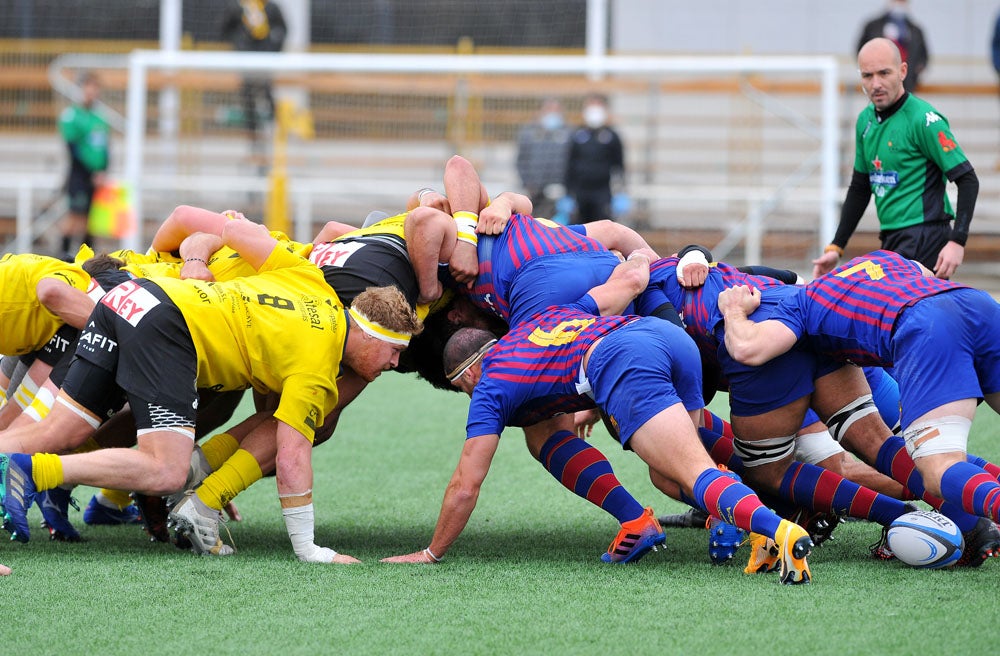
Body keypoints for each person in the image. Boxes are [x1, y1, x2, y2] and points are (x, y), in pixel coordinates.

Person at [0, 219, 423, 565]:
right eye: (393, 351)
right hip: (167, 325)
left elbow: (233, 227)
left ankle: (19, 466)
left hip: (126, 298)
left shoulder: (309, 275)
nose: (395, 364)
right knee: (166, 469)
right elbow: (292, 455)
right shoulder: (318, 366)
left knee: (58, 432)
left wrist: (198, 260)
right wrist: (309, 549)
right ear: (369, 335)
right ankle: (35, 472)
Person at [383, 256, 815, 584]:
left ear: (469, 373)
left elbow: (466, 485)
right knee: (670, 476)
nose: (469, 396)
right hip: (664, 336)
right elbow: (621, 286)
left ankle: (780, 530)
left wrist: (431, 552)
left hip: (624, 361)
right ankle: (750, 521)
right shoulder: (538, 320)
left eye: (463, 388)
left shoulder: (489, 387)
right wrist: (640, 254)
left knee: (693, 470)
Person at [720, 249, 1000, 565]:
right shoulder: (879, 258)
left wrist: (733, 310)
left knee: (936, 471)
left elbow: (748, 348)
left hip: (924, 331)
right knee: (900, 450)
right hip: (977, 304)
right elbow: (926, 275)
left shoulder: (802, 302)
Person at [813, 38, 978, 281]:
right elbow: (860, 188)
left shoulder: (924, 120)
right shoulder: (865, 121)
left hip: (927, 236)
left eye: (884, 73)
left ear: (902, 71)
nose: (876, 83)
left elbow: (968, 179)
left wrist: (957, 241)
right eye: (868, 76)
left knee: (901, 309)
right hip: (892, 239)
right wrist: (836, 246)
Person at [57, 71, 109, 262]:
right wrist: (91, 172)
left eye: (95, 89)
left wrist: (103, 171)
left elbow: (104, 148)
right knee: (75, 217)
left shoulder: (100, 118)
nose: (91, 93)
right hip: (80, 175)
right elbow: (73, 149)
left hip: (97, 177)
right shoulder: (72, 116)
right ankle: (62, 258)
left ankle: (88, 263)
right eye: (88, 88)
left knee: (91, 220)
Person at [221, 0, 287, 146]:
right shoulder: (237, 8)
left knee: (267, 92)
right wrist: (240, 43)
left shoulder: (271, 8)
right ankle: (253, 137)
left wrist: (272, 48)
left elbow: (282, 30)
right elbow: (225, 30)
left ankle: (274, 130)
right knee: (248, 97)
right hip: (246, 63)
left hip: (265, 62)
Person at [563, 93, 626, 224]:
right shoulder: (577, 135)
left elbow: (619, 166)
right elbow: (569, 165)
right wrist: (568, 193)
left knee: (602, 228)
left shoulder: (612, 136)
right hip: (580, 193)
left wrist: (621, 192)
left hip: (602, 192)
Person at [515, 98, 571, 220]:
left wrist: (566, 185)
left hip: (560, 190)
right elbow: (522, 160)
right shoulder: (529, 133)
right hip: (535, 191)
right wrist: (528, 183)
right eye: (549, 109)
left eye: (556, 110)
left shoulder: (569, 134)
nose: (552, 113)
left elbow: (573, 161)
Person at [857, 0, 928, 93]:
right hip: (877, 83)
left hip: (908, 84)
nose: (898, 3)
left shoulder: (915, 30)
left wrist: (914, 72)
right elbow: (861, 50)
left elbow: (923, 56)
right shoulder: (873, 26)